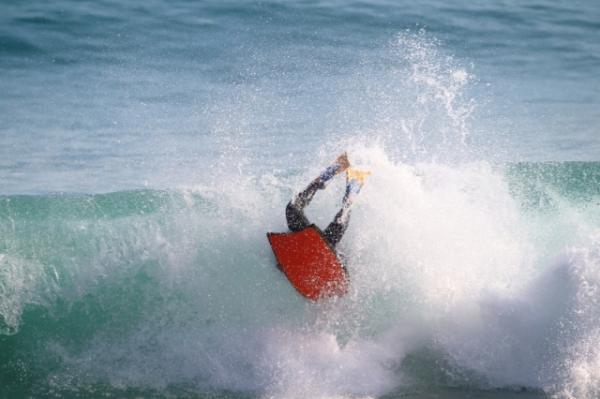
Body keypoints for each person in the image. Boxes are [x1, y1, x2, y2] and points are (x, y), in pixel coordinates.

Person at [285, 153, 369, 247]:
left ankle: (352, 187)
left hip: (322, 247)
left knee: (292, 209)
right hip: (308, 239)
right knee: (292, 208)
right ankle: (333, 173)